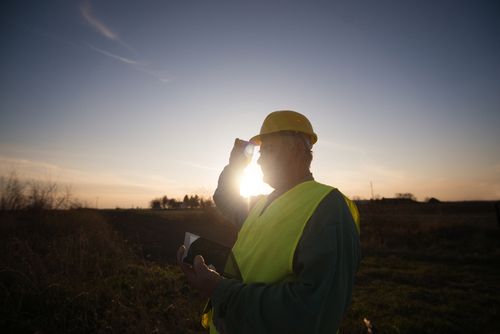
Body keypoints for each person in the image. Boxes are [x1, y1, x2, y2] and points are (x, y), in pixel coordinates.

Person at [177, 110, 361, 333]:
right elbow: (224, 197)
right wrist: (236, 165)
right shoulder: (262, 203)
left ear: (297, 151)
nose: (260, 160)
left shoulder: (328, 208)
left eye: (269, 150)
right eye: (260, 152)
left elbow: (312, 313)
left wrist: (220, 289)